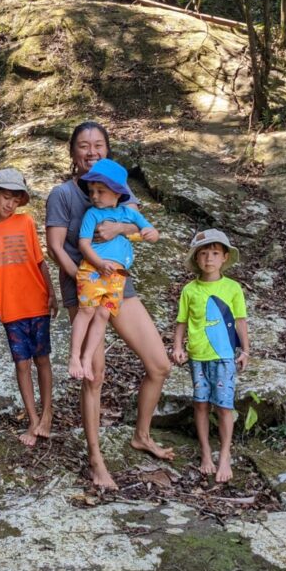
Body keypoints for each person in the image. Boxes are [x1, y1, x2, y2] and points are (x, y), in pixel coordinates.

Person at [46, 122, 173, 490]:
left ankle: (142, 435)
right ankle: (96, 458)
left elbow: (138, 224)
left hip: (120, 285)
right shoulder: (64, 195)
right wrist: (85, 279)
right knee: (94, 373)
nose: (91, 151)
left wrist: (119, 231)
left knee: (159, 364)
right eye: (83, 146)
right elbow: (56, 247)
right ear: (73, 153)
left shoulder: (120, 189)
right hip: (85, 288)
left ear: (107, 149)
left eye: (98, 144)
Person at [0, 168, 58, 447]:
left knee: (42, 359)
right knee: (22, 364)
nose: (10, 205)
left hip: (36, 301)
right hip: (10, 307)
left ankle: (47, 413)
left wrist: (51, 294)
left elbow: (40, 261)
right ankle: (32, 418)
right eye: (6, 197)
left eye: (15, 200)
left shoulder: (26, 222)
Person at [68, 158, 158, 382]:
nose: (95, 196)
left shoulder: (129, 214)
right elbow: (84, 244)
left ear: (118, 193)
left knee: (103, 314)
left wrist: (149, 233)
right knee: (87, 310)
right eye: (92, 191)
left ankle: (88, 357)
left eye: (101, 191)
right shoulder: (92, 214)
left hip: (117, 277)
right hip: (93, 270)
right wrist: (98, 263)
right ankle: (74, 357)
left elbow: (150, 230)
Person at [172, 228, 250, 483]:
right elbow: (181, 322)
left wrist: (246, 351)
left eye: (214, 253)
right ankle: (206, 452)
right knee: (201, 403)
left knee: (224, 406)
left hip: (225, 356)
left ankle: (225, 454)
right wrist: (178, 347)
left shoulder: (233, 288)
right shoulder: (189, 290)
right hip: (198, 356)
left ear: (224, 257)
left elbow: (240, 321)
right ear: (196, 258)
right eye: (203, 254)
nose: (209, 259)